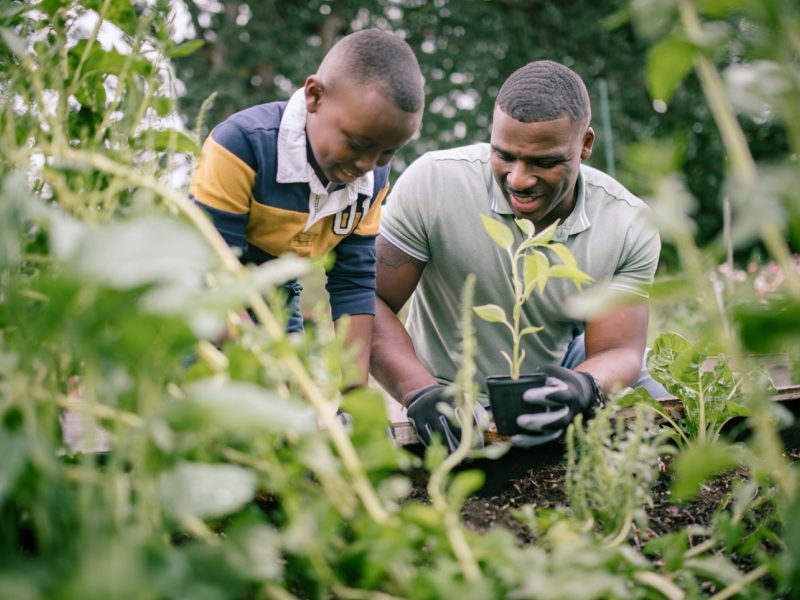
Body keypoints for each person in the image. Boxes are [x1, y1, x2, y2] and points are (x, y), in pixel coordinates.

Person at [370, 60, 667, 451]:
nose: (520, 180)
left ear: (586, 145)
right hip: (448, 389)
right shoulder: (434, 183)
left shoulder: (626, 223)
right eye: (504, 155)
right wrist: (419, 391)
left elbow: (617, 350)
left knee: (661, 408)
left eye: (545, 162)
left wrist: (583, 386)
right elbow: (368, 300)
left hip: (556, 376)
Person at [189, 29, 424, 387]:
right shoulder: (241, 147)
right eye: (358, 143)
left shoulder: (371, 181)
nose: (368, 164)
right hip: (200, 297)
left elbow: (354, 283)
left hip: (278, 296)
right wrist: (265, 373)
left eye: (386, 153)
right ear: (315, 96)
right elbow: (214, 274)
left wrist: (353, 397)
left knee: (290, 408)